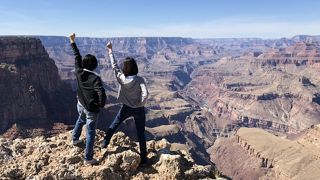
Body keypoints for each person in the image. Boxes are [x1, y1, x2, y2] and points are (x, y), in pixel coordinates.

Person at [102, 41, 149, 166]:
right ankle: (143, 159)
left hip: (126, 107)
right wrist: (141, 103)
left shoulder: (121, 78)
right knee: (141, 134)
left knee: (115, 123)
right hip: (139, 109)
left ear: (125, 68)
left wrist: (110, 51)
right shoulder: (140, 80)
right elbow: (145, 93)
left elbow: (114, 66)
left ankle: (105, 142)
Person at [69, 33, 106, 165]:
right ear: (95, 65)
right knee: (91, 132)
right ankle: (88, 158)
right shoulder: (95, 78)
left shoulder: (79, 71)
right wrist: (101, 105)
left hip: (81, 103)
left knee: (80, 119)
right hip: (91, 108)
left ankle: (74, 138)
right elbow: (101, 92)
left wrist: (72, 42)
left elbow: (77, 57)